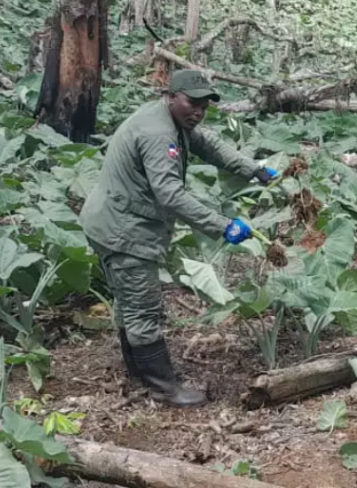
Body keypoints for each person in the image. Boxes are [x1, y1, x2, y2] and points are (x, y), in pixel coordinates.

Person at [79, 69, 278, 407]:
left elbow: (210, 145)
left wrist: (254, 169)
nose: (198, 111)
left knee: (129, 303)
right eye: (192, 103)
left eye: (204, 105)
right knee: (143, 308)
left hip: (110, 221)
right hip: (124, 230)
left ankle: (138, 372)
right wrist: (222, 225)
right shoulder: (159, 134)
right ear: (171, 95)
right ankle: (164, 387)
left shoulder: (169, 118)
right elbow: (170, 193)